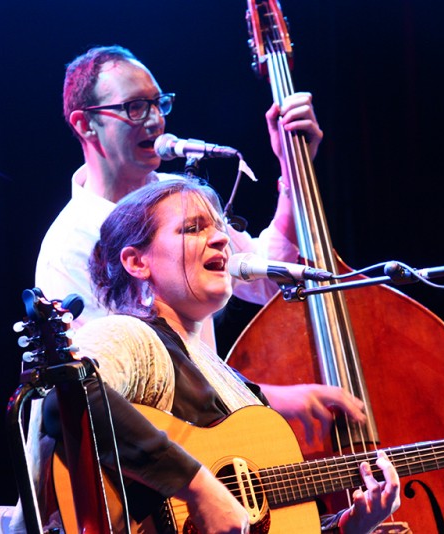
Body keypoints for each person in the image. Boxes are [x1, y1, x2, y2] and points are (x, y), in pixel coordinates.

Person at [44, 178, 401, 533]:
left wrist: (348, 526)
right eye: (193, 228)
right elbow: (68, 398)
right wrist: (198, 487)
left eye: (219, 227)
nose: (221, 238)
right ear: (137, 262)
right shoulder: (127, 335)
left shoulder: (235, 386)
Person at [34, 44, 320, 347]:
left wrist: (293, 168)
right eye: (135, 106)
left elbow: (267, 281)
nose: (156, 120)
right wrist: (262, 393)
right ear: (85, 124)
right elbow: (110, 380)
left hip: (212, 394)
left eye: (159, 103)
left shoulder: (182, 197)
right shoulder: (69, 248)